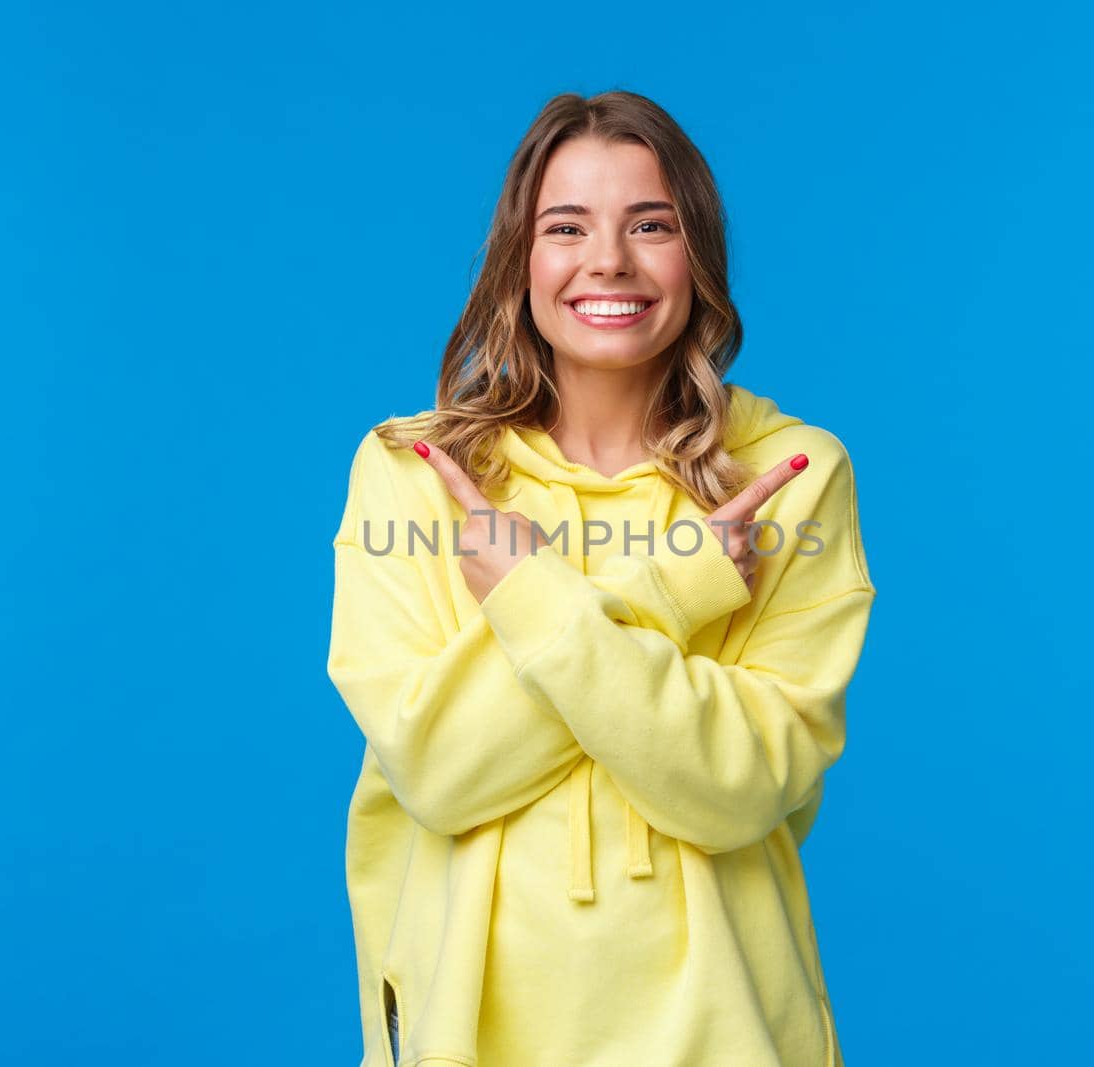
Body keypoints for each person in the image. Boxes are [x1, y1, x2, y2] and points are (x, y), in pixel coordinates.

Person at [326, 89, 877, 1066]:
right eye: (566, 226)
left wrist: (530, 596)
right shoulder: (412, 473)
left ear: (696, 252)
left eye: (650, 225)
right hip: (469, 1033)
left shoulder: (789, 477)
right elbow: (440, 772)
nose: (609, 261)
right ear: (519, 259)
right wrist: (675, 590)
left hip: (729, 1031)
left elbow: (736, 785)